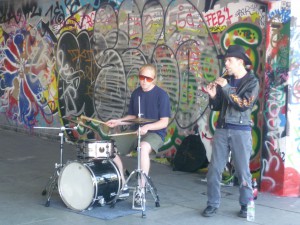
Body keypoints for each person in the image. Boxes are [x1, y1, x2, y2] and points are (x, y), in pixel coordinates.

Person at [202, 45, 259, 218]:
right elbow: (219, 105)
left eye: (229, 60)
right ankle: (212, 203)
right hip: (222, 129)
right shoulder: (226, 78)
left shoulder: (252, 82)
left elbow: (243, 105)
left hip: (240, 131)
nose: (226, 63)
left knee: (242, 171)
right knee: (214, 169)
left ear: (240, 62)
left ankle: (245, 204)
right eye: (226, 60)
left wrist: (226, 87)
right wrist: (213, 95)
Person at [106, 63, 171, 200]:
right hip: (136, 131)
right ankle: (122, 182)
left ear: (154, 79)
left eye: (148, 78)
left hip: (155, 133)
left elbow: (164, 122)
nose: (144, 81)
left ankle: (141, 188)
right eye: (142, 77)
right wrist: (118, 121)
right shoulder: (136, 93)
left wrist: (148, 127)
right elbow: (132, 117)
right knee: (110, 148)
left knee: (143, 148)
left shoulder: (162, 95)